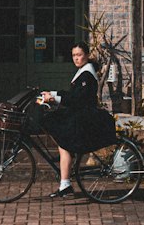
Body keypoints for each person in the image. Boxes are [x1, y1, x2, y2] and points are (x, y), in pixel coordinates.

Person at [37, 42, 100, 198]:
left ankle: (65, 184)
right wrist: (52, 94)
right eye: (73, 56)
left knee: (63, 141)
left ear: (86, 55)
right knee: (61, 139)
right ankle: (65, 183)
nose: (76, 58)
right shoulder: (82, 72)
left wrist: (54, 97)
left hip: (84, 117)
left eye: (79, 55)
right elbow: (71, 95)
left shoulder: (87, 74)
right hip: (79, 115)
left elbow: (77, 98)